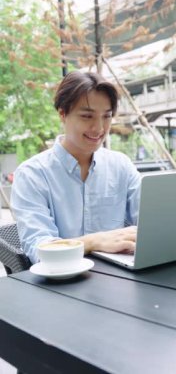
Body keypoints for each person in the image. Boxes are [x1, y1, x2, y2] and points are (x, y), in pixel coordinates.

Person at [11, 71, 141, 264]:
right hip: (61, 284)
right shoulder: (31, 175)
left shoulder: (121, 165)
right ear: (63, 114)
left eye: (106, 116)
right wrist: (93, 242)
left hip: (119, 277)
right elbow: (40, 251)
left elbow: (151, 223)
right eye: (87, 116)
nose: (99, 128)